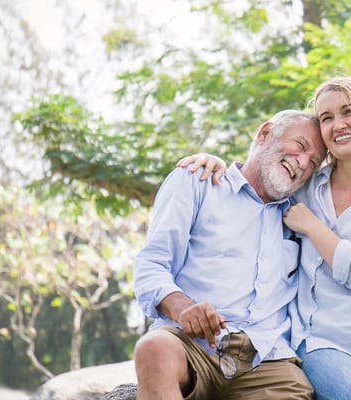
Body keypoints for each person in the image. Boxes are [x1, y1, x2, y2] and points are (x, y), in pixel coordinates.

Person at [177, 76, 351, 399]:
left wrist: (313, 227)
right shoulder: (303, 185)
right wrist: (218, 163)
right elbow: (255, 184)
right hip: (321, 341)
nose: (338, 125)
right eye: (326, 118)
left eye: (348, 112)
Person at [133, 110, 326, 400]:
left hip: (266, 358)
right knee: (153, 348)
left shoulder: (303, 212)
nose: (302, 163)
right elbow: (151, 264)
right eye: (300, 146)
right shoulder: (197, 181)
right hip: (190, 345)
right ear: (264, 134)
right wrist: (183, 307)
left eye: (313, 163)